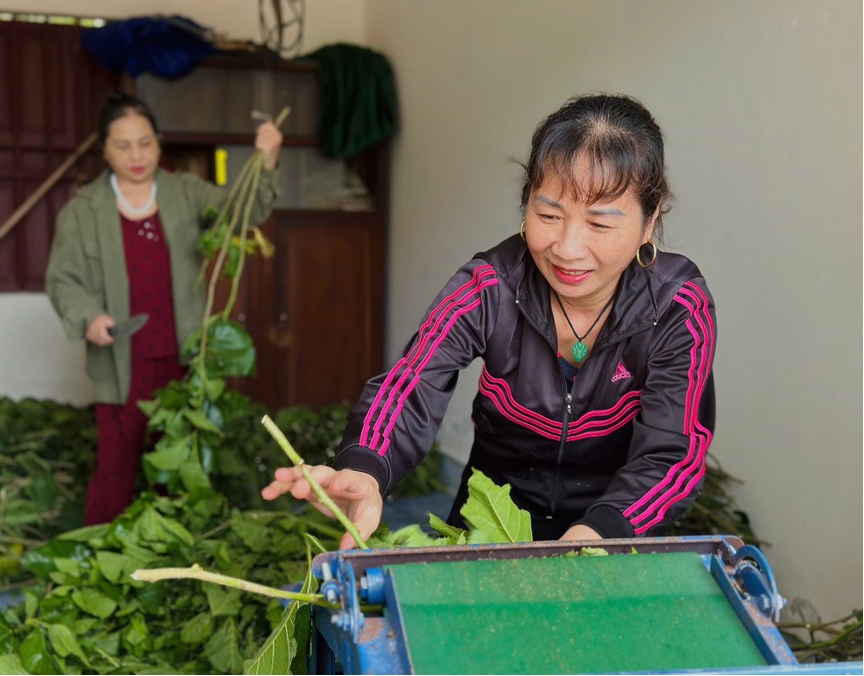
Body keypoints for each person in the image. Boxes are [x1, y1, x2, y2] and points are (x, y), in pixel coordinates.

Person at [262, 93, 715, 549]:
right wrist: (364, 467)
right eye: (548, 214)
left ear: (648, 219)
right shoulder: (489, 286)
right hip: (488, 524)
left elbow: (671, 455)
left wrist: (592, 540)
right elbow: (411, 384)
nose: (567, 247)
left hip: (611, 534)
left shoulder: (677, 307)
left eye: (599, 225)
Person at [46, 91, 283, 525]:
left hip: (182, 360)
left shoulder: (186, 193)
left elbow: (241, 212)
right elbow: (64, 279)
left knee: (173, 468)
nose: (136, 155)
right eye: (122, 145)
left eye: (145, 142)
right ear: (104, 150)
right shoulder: (83, 211)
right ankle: (102, 557)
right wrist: (89, 317)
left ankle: (170, 559)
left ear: (158, 143)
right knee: (115, 472)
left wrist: (264, 163)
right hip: (120, 362)